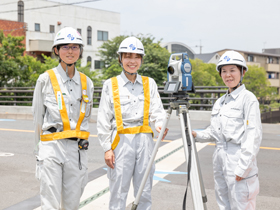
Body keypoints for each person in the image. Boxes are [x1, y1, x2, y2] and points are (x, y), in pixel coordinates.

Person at [97, 36, 168, 210]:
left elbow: (157, 111)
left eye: (136, 57)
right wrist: (107, 148)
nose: (132, 61)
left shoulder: (149, 83)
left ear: (141, 60)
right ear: (120, 58)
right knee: (118, 190)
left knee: (144, 191)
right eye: (128, 56)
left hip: (144, 141)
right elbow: (103, 118)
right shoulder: (110, 84)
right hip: (120, 141)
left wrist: (160, 124)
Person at [32, 27, 94, 210]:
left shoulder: (87, 82)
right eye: (65, 47)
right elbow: (37, 119)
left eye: (75, 47)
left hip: (76, 150)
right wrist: (38, 154)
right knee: (49, 202)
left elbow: (86, 120)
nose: (70, 51)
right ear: (56, 50)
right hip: (51, 147)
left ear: (80, 51)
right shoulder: (45, 79)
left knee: (72, 203)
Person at [192, 50, 262, 210]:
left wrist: (243, 167)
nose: (228, 75)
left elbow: (253, 136)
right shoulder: (220, 102)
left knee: (241, 204)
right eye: (224, 71)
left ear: (242, 72)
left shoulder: (248, 99)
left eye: (232, 70)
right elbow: (214, 132)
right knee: (223, 203)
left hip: (238, 158)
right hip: (220, 158)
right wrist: (196, 135)